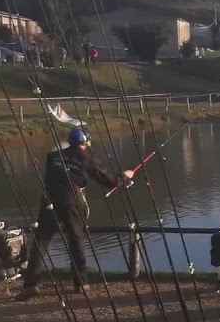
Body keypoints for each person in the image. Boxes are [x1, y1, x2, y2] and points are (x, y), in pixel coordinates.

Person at [18, 128, 134, 300]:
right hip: (70, 201)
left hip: (48, 200)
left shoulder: (53, 157)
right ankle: (81, 283)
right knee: (75, 239)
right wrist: (124, 176)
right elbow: (109, 181)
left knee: (41, 241)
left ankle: (30, 286)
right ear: (85, 142)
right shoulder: (88, 159)